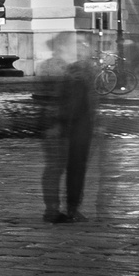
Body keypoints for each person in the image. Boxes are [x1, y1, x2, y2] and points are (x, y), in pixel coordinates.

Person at [41, 30, 99, 222]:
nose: (83, 46)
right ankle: (52, 210)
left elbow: (89, 98)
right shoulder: (52, 67)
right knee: (55, 168)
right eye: (78, 43)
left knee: (77, 168)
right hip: (59, 127)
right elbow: (49, 99)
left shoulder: (82, 67)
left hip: (82, 126)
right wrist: (55, 123)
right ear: (63, 46)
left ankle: (73, 209)